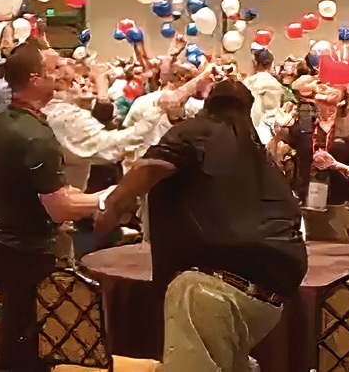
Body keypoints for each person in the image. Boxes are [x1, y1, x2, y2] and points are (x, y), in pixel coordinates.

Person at [95, 79, 307, 372]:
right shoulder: (261, 155)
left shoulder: (197, 131)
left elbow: (150, 167)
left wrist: (111, 206)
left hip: (209, 290)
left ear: (208, 106)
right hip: (270, 301)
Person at [0, 42, 108, 372]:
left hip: (0, 241)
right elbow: (60, 209)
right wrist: (108, 198)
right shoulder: (34, 135)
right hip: (31, 252)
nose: (62, 76)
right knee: (37, 344)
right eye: (53, 71)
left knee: (11, 335)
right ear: (36, 79)